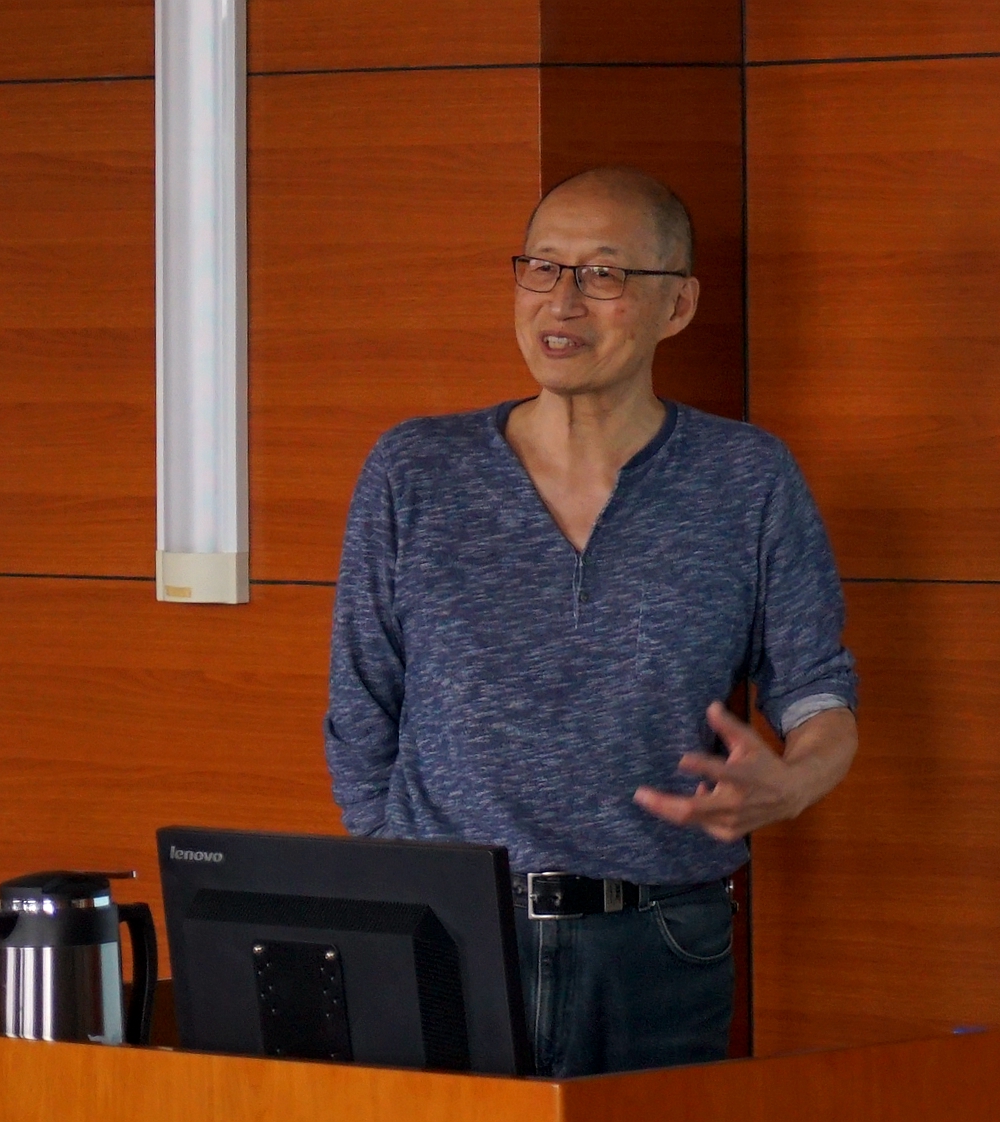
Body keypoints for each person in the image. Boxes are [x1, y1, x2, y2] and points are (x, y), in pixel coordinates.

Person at [324, 166, 858, 1076]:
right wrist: (403, 881)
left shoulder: (745, 478)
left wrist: (796, 782)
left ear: (676, 305)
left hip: (659, 940)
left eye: (604, 273)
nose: (561, 300)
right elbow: (360, 706)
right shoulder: (416, 469)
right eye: (541, 267)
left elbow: (816, 689)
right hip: (443, 934)